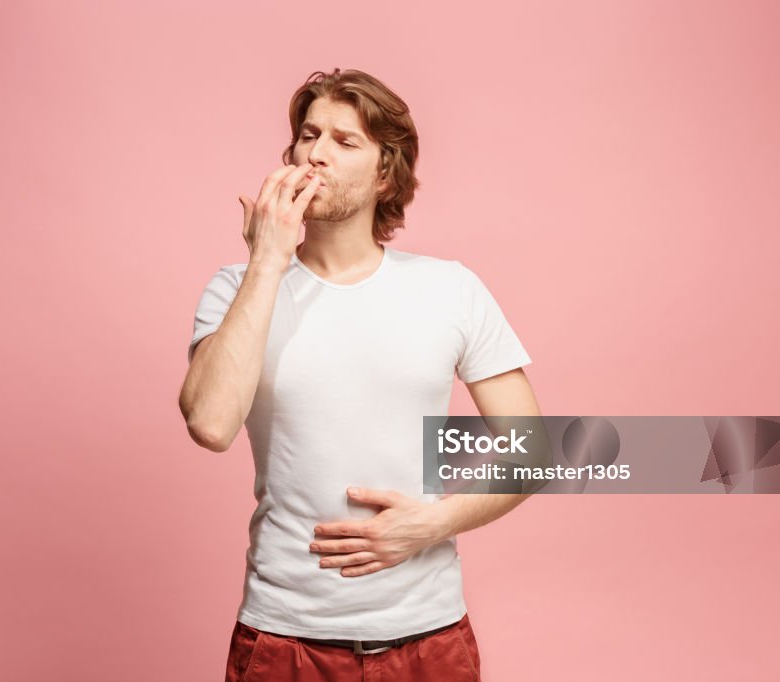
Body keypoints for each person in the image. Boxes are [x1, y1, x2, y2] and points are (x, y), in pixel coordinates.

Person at [179, 68, 542, 681]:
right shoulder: (237, 290)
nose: (315, 154)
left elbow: (533, 449)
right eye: (308, 135)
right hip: (284, 640)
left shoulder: (449, 289)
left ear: (384, 174)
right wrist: (268, 259)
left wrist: (434, 523)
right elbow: (211, 425)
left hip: (429, 640)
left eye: (345, 142)